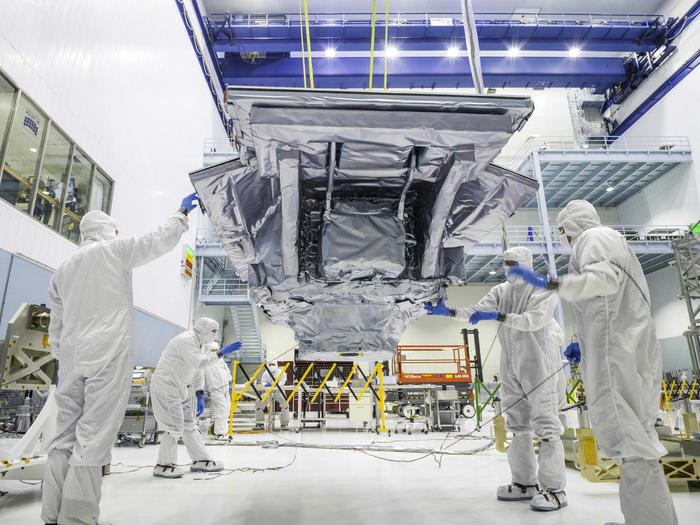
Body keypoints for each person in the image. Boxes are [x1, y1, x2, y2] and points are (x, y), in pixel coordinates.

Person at [509, 199, 678, 525]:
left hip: (616, 357)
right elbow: (603, 302)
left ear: (566, 228)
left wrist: (550, 284)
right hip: (621, 350)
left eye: (561, 233)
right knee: (635, 445)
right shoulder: (606, 239)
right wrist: (581, 342)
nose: (563, 239)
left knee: (632, 445)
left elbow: (603, 281)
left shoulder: (593, 238)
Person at [42, 192, 198, 525]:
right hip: (107, 354)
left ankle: (51, 514)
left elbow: (56, 319)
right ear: (107, 230)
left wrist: (61, 355)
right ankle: (78, 518)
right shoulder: (113, 250)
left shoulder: (64, 267)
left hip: (70, 358)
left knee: (63, 435)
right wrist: (181, 213)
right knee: (94, 435)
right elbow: (156, 241)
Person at [424, 246, 567, 511]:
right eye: (506, 264)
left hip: (540, 366)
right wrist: (451, 312)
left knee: (547, 427)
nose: (509, 269)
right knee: (518, 425)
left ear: (526, 263)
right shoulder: (501, 291)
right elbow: (478, 310)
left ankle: (555, 490)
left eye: (514, 264)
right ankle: (525, 484)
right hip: (511, 365)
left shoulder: (544, 289)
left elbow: (532, 321)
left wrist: (499, 316)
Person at [150, 320, 241, 478]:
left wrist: (199, 393)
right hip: (166, 386)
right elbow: (199, 363)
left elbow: (199, 371)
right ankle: (163, 465)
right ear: (203, 330)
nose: (215, 334)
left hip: (182, 388)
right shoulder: (185, 340)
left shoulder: (202, 344)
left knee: (190, 425)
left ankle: (201, 460)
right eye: (213, 331)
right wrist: (221, 353)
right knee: (174, 426)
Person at [203, 343, 234, 439]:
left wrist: (229, 383)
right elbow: (201, 377)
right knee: (221, 410)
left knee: (226, 411)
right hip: (215, 390)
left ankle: (221, 431)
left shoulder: (221, 360)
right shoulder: (205, 362)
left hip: (225, 390)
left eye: (216, 350)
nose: (215, 352)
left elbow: (228, 373)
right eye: (213, 350)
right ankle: (220, 433)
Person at [255, 362, 290, 430]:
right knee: (258, 403)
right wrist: (267, 385)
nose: (271, 366)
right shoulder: (265, 373)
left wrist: (276, 386)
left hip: (279, 392)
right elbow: (263, 382)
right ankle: (259, 422)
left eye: (273, 364)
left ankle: (284, 423)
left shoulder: (281, 372)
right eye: (270, 365)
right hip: (268, 392)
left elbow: (283, 381)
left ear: (276, 365)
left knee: (285, 404)